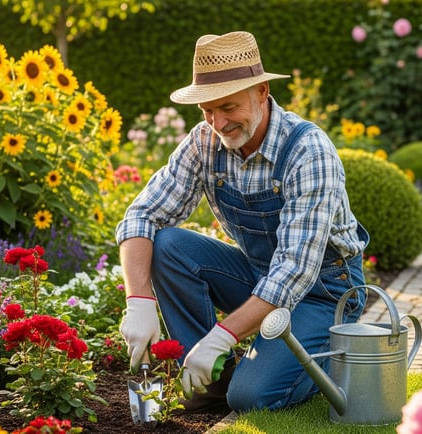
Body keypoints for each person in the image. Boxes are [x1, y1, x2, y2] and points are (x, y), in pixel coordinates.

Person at [115, 30, 369, 413]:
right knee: (167, 245)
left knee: (250, 397)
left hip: (322, 292)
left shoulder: (308, 151)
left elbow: (293, 272)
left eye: (228, 107)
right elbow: (142, 215)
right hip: (257, 274)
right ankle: (209, 382)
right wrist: (138, 300)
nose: (218, 122)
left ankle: (327, 355)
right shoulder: (204, 141)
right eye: (207, 111)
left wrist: (221, 336)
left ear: (263, 92)